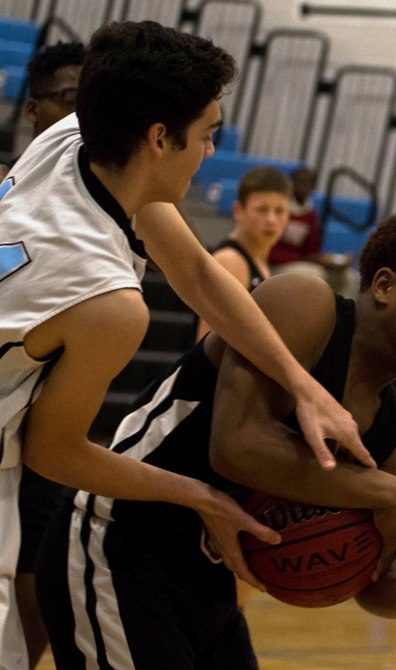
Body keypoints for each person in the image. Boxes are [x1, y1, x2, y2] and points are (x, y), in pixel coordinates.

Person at [0, 22, 368, 669]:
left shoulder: (74, 140)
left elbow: (195, 271)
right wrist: (197, 494)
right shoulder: (106, 300)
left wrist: (302, 384)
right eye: (206, 135)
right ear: (159, 138)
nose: (210, 151)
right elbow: (52, 451)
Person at [35, 206, 396, 669]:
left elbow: (377, 580)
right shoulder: (304, 304)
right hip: (119, 541)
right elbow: (236, 446)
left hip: (210, 585)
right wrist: (384, 491)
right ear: (384, 286)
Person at [4, 41, 86, 670]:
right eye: (69, 100)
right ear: (33, 109)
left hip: (44, 421)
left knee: (39, 579)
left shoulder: (101, 209)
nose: (82, 115)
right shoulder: (13, 201)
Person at [196, 166, 291, 339]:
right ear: (238, 211)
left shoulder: (259, 261)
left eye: (279, 211)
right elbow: (206, 343)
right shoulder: (230, 261)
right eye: (262, 209)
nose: (271, 220)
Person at [0, 42, 85, 180]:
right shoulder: (6, 184)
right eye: (72, 100)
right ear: (33, 110)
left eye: (92, 104)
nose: (85, 114)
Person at [268, 166, 356, 296]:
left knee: (348, 277)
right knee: (315, 275)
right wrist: (308, 260)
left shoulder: (311, 213)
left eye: (308, 183)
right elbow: (270, 250)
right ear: (290, 184)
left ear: (314, 186)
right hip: (275, 265)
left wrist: (329, 260)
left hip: (302, 263)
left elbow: (311, 251)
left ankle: (341, 314)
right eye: (299, 182)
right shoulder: (279, 209)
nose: (303, 186)